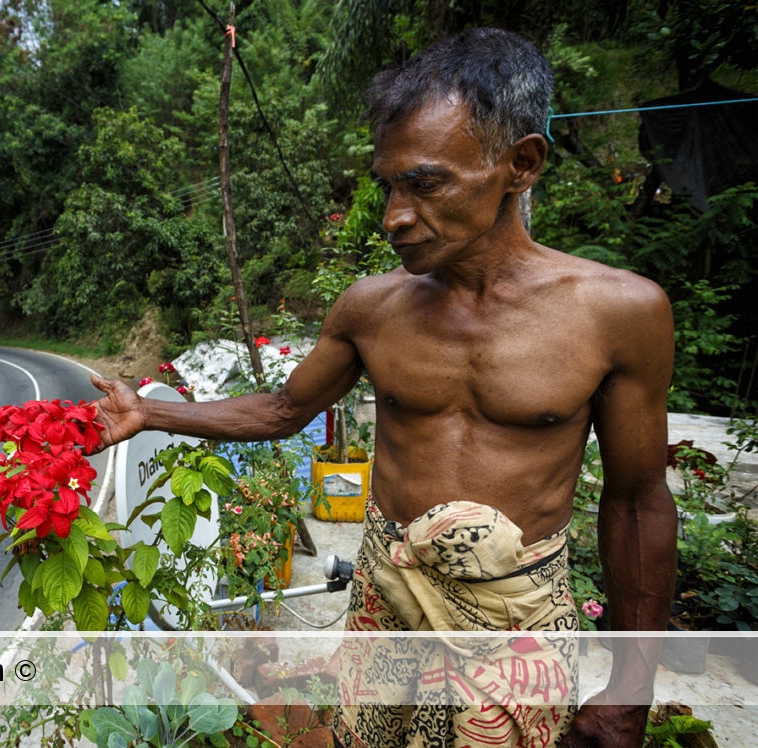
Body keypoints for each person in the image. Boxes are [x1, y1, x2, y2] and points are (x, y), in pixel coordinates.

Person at [90, 27, 676, 748]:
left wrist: (630, 687)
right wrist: (149, 411)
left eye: (426, 183)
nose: (396, 216)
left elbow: (639, 503)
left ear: (520, 164)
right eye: (389, 186)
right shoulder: (372, 308)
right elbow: (282, 410)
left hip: (513, 616)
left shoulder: (619, 313)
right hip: (385, 602)